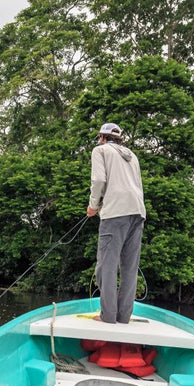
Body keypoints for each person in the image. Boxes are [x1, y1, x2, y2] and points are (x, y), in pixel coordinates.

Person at [86, 122, 146, 324]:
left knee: (106, 267)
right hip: (138, 212)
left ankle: (108, 316)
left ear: (102, 137)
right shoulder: (132, 155)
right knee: (130, 267)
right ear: (119, 138)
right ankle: (123, 317)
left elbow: (99, 180)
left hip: (115, 213)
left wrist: (93, 206)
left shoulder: (100, 150)